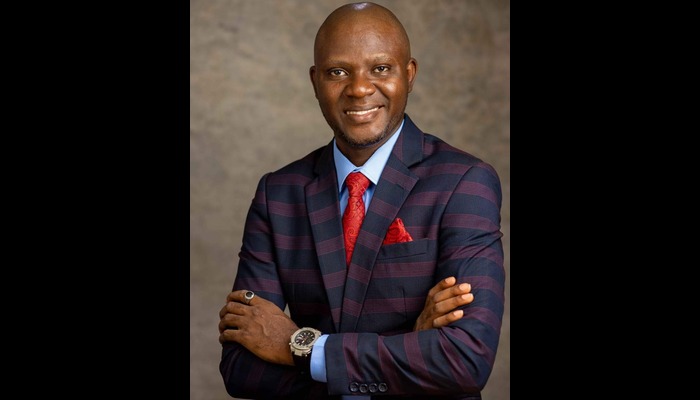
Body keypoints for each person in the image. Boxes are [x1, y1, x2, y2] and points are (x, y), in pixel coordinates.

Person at [218, 2, 504, 399]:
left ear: (409, 74)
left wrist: (300, 347)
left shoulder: (464, 183)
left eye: (381, 68)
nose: (359, 88)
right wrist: (409, 351)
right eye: (338, 72)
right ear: (315, 81)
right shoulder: (278, 193)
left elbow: (465, 360)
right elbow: (241, 367)